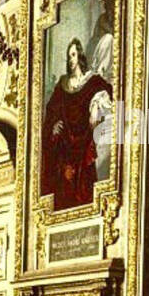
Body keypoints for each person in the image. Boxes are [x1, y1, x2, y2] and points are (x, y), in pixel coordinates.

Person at [41, 37, 113, 210]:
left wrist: (95, 104)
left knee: (85, 185)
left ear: (80, 55)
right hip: (65, 147)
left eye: (73, 55)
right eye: (69, 56)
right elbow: (50, 112)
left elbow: (107, 91)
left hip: (84, 141)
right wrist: (53, 127)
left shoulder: (91, 80)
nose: (71, 60)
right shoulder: (62, 85)